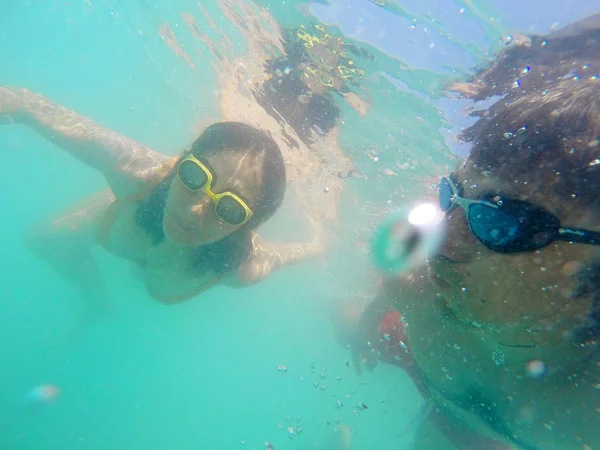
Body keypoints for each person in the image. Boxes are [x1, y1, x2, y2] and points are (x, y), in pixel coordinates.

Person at [336, 14, 600, 450]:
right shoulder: (414, 284)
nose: (443, 242)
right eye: (451, 196)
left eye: (500, 221)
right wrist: (367, 325)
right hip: (431, 387)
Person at [0, 87, 323, 309]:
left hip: (155, 243)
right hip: (142, 210)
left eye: (230, 207)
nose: (197, 210)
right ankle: (96, 301)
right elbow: (26, 104)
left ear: (248, 226)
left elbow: (302, 252)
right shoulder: (139, 175)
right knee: (44, 238)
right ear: (179, 166)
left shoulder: (242, 267)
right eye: (195, 176)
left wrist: (321, 242)